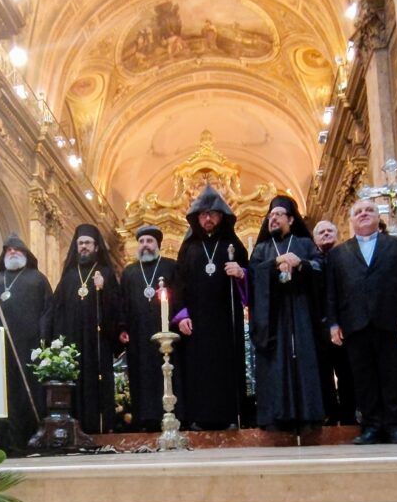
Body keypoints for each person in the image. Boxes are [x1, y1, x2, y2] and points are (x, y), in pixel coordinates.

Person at [326, 199, 397, 444]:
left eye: (369, 210)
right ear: (351, 221)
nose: (364, 214)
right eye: (358, 212)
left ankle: (396, 426)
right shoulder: (338, 253)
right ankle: (371, 427)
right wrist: (333, 324)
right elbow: (332, 292)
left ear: (379, 217)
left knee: (393, 376)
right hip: (354, 324)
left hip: (391, 322)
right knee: (363, 379)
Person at [171, 185, 249, 429]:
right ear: (196, 217)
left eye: (212, 213)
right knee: (199, 368)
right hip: (197, 322)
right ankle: (199, 418)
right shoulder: (189, 248)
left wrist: (241, 273)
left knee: (226, 368)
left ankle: (230, 417)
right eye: (203, 214)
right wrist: (182, 315)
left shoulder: (233, 245)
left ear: (221, 216)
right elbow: (178, 284)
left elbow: (251, 277)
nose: (207, 218)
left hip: (227, 319)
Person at [248, 195, 326, 431]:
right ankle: (276, 418)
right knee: (275, 363)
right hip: (273, 317)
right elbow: (253, 276)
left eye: (278, 215)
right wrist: (275, 264)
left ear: (291, 219)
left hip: (301, 312)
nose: (273, 219)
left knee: (305, 359)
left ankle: (308, 417)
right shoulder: (262, 249)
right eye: (270, 216)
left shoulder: (304, 244)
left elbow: (320, 267)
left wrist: (300, 263)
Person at [0, 234, 53, 450]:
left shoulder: (37, 278)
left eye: (17, 250)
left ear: (26, 254)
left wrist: (43, 338)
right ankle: (2, 441)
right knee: (2, 392)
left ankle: (29, 437)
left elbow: (48, 311)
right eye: (8, 250)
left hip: (28, 346)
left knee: (25, 390)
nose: (12, 253)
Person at [49, 223, 119, 434]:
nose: (84, 247)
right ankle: (75, 426)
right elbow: (57, 308)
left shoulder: (105, 272)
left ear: (96, 247)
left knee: (97, 381)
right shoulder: (69, 276)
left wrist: (103, 289)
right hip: (73, 341)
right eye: (81, 243)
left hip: (98, 343)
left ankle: (100, 427)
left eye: (88, 243)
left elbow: (117, 306)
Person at [118, 225, 178, 431]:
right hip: (138, 335)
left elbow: (180, 297)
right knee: (141, 375)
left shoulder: (171, 267)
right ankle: (144, 419)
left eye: (149, 241)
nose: (145, 245)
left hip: (167, 332)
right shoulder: (129, 272)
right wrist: (122, 327)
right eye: (141, 242)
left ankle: (171, 414)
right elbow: (122, 302)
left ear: (157, 245)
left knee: (167, 372)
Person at [312, 219, 355, 425]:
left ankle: (349, 415)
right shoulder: (310, 262)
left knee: (347, 372)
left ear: (338, 235)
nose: (326, 234)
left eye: (330, 230)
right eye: (321, 232)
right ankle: (329, 414)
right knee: (322, 373)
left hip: (345, 324)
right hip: (318, 326)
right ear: (314, 238)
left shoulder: (346, 258)